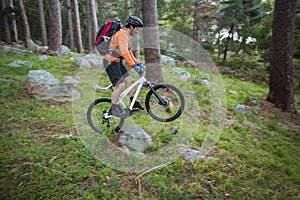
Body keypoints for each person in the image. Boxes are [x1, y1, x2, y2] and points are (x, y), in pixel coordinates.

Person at [103, 16, 145, 117]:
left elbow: (129, 51)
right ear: (131, 26)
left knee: (129, 80)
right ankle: (112, 110)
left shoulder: (127, 35)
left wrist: (136, 62)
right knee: (120, 85)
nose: (137, 31)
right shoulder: (122, 34)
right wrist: (133, 65)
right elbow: (124, 52)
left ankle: (133, 103)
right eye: (137, 29)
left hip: (117, 61)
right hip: (110, 61)